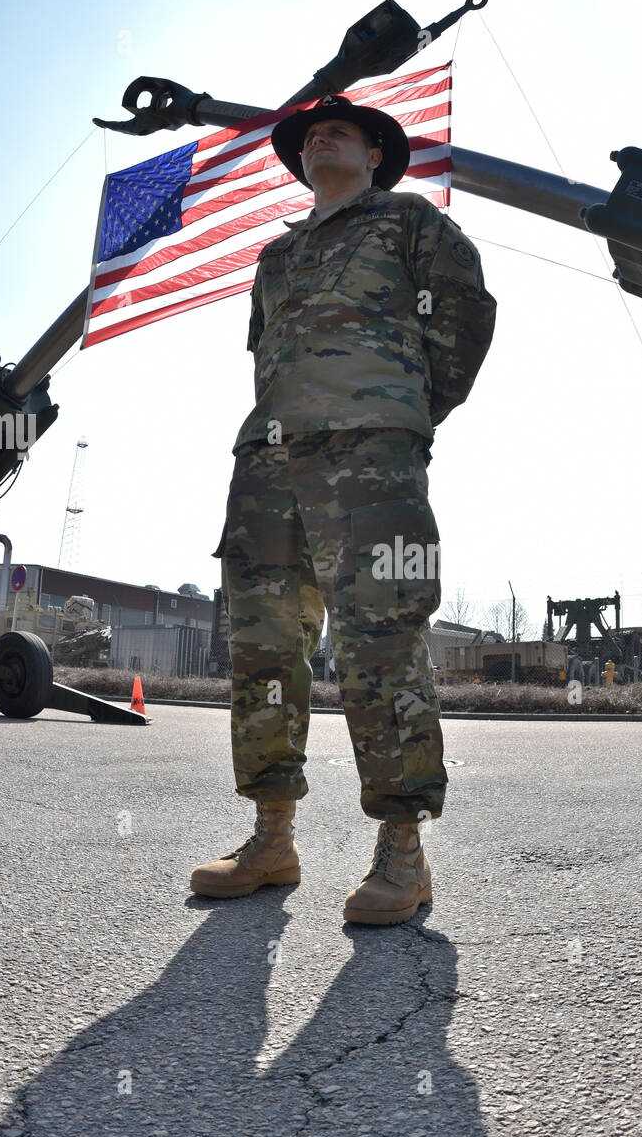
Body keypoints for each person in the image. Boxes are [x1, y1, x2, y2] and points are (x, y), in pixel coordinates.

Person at [190, 93, 496, 924]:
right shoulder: (274, 257)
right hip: (267, 463)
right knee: (262, 648)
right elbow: (265, 353)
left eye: (340, 131)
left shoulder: (408, 223)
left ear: (374, 156)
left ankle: (403, 850)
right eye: (308, 135)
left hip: (371, 457)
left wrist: (407, 408)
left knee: (380, 639)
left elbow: (465, 315)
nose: (319, 136)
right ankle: (271, 836)